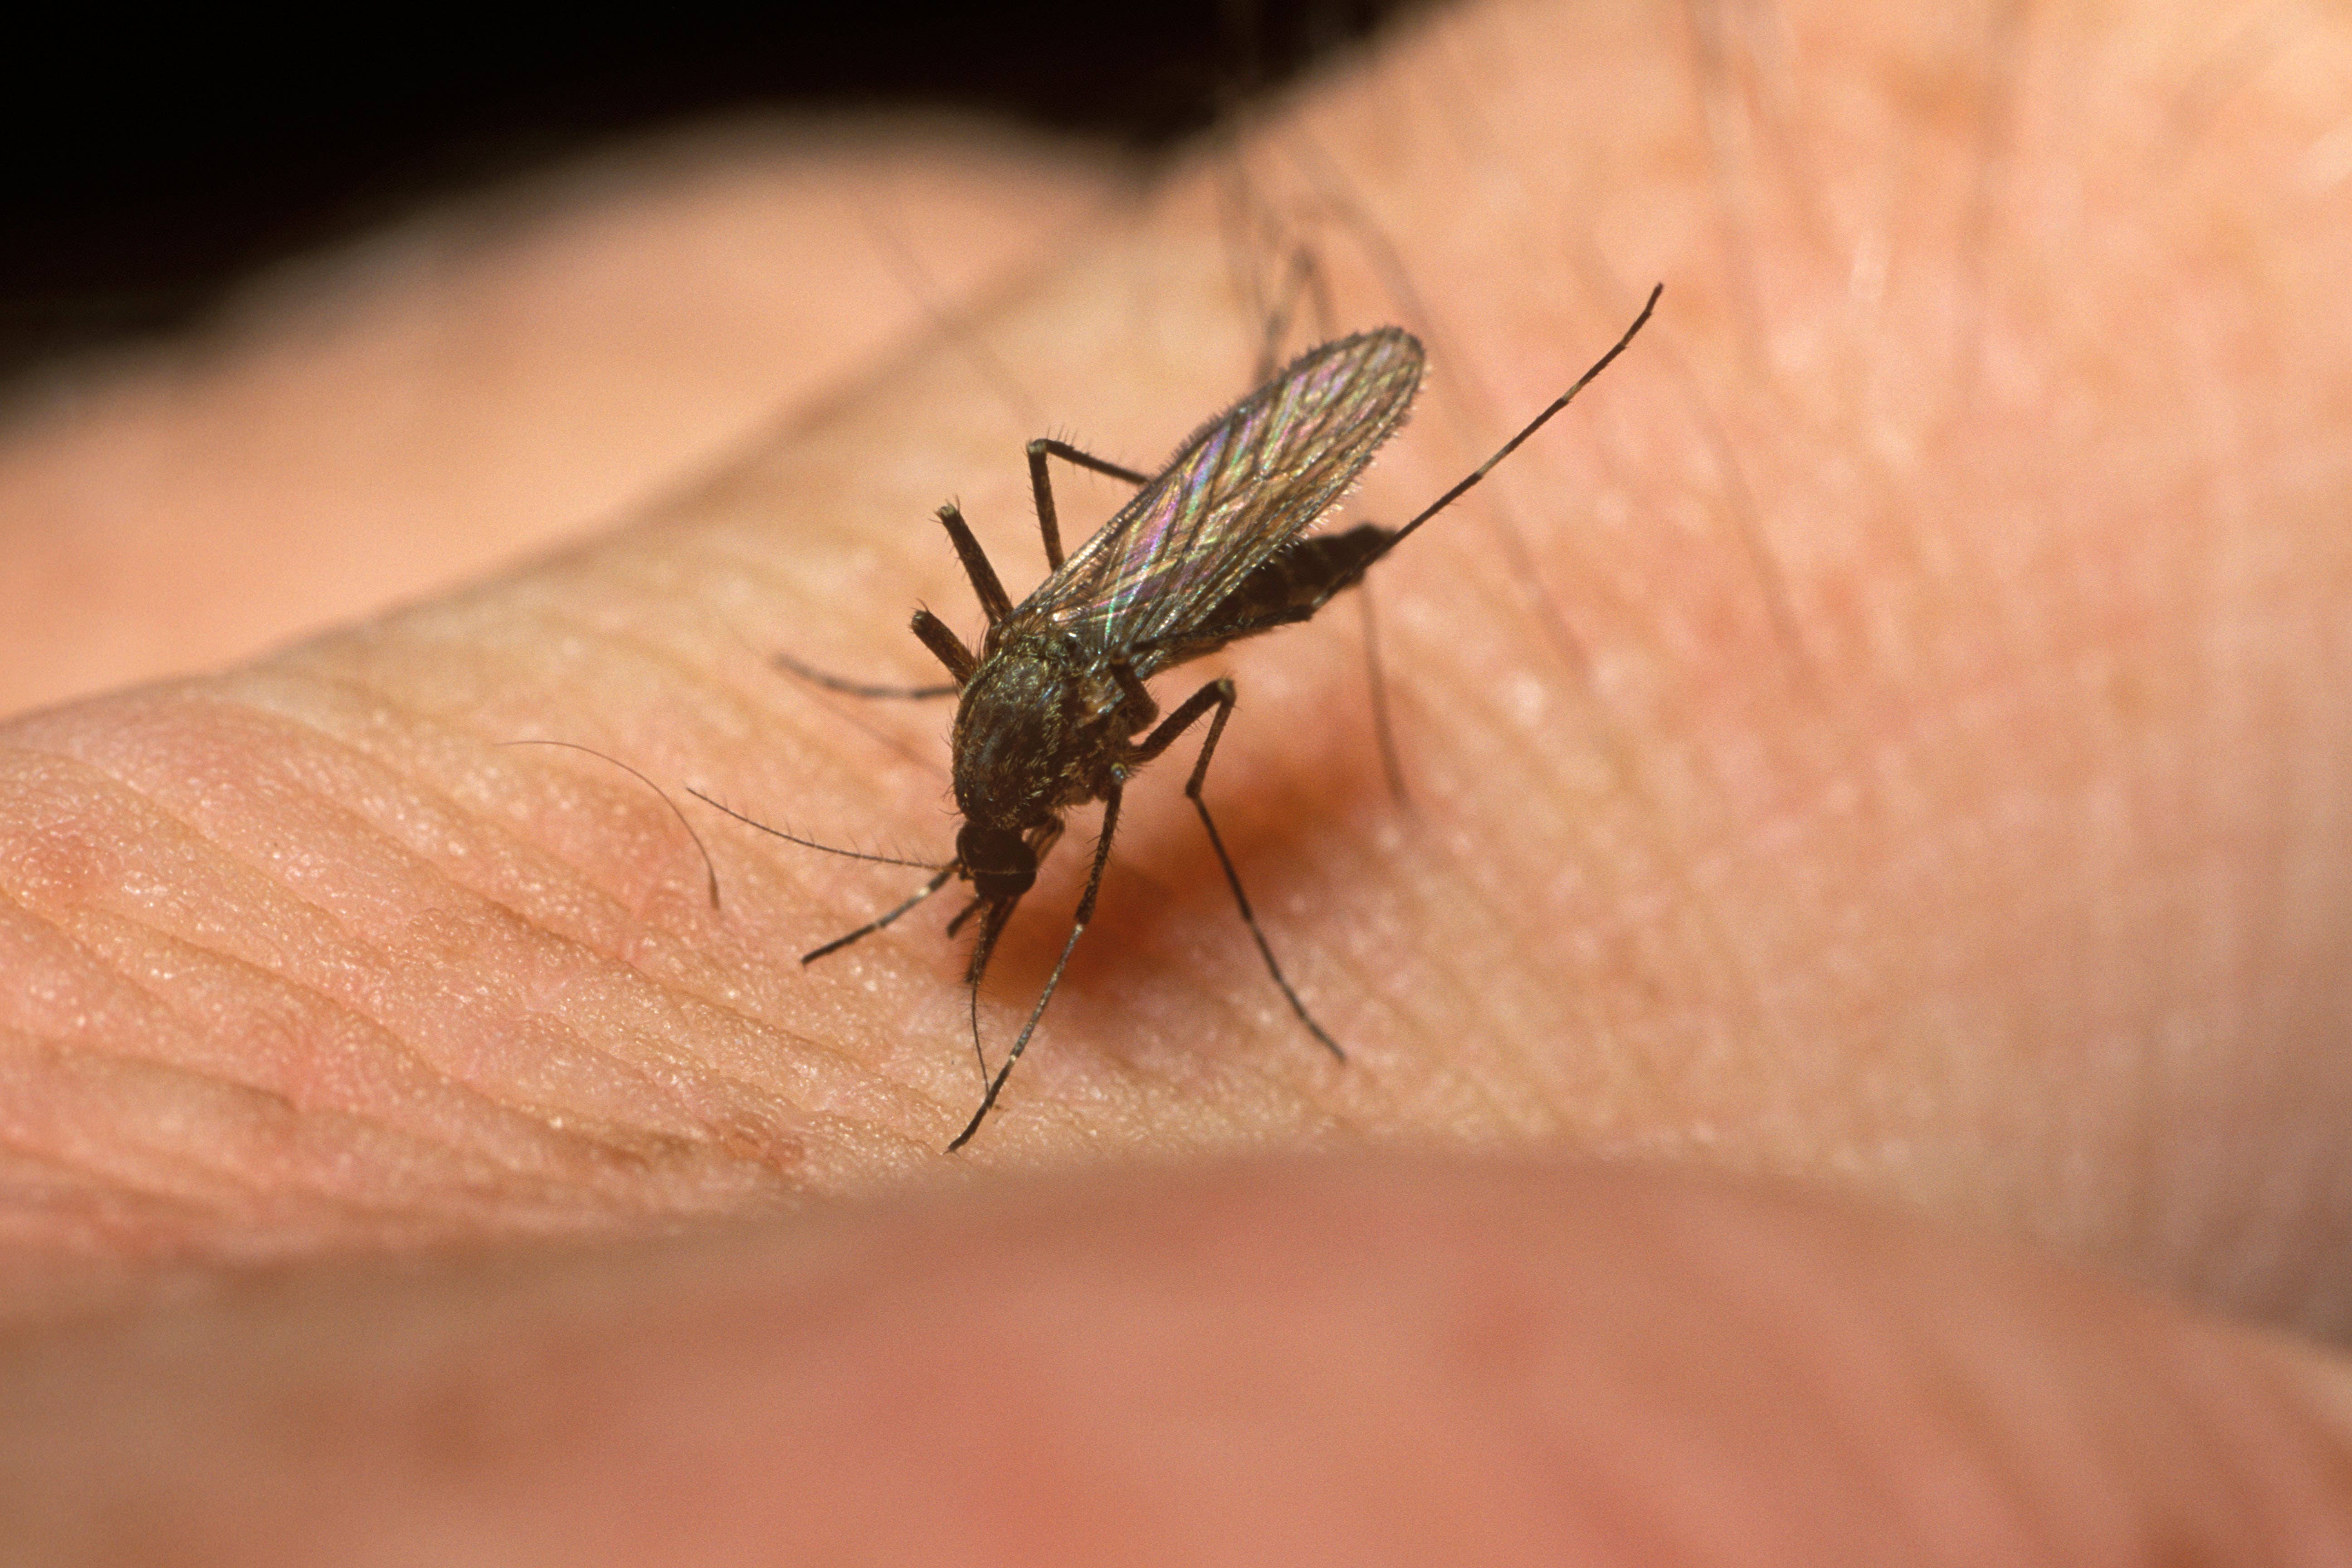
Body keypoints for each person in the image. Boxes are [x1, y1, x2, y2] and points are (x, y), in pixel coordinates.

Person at [4, 0, 2350, 1558]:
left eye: (991, 841)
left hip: (1163, 588)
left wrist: (1070, 892)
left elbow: (1110, 740)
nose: (993, 849)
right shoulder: (999, 743)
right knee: (1063, 629)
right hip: (1096, 609)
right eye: (980, 842)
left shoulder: (1078, 729)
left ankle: (1482, 437)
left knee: (1203, 686)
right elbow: (1020, 738)